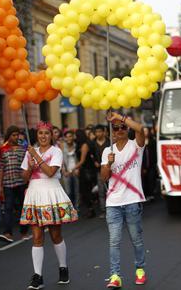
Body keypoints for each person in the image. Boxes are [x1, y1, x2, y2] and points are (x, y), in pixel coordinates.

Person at [21, 121, 77, 290]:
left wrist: (35, 157)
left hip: (51, 193)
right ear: (37, 135)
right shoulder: (30, 152)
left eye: (46, 133)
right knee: (37, 237)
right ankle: (37, 276)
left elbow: (50, 172)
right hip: (34, 194)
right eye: (40, 133)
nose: (43, 136)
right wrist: (30, 167)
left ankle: (63, 268)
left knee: (55, 235)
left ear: (51, 135)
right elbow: (24, 178)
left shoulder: (56, 151)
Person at [100, 112, 147, 289]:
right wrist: (108, 164)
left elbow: (141, 129)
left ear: (127, 129)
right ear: (111, 132)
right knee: (114, 241)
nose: (119, 130)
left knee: (136, 239)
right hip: (113, 203)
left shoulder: (136, 146)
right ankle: (115, 275)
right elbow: (104, 177)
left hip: (133, 200)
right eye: (116, 128)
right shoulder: (107, 151)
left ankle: (140, 270)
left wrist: (119, 117)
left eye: (122, 127)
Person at [0, 125, 29, 243]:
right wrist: (0, 186)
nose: (16, 137)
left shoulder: (23, 149)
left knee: (22, 207)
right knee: (8, 208)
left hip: (21, 182)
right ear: (9, 136)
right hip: (7, 183)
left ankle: (24, 231)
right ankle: (8, 233)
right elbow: (1, 168)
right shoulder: (2, 149)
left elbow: (26, 167)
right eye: (13, 135)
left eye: (17, 135)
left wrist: (27, 182)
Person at [76, 129, 97, 218]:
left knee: (85, 191)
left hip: (86, 170)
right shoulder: (82, 144)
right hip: (85, 169)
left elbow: (82, 160)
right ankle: (90, 209)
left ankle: (91, 209)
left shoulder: (84, 145)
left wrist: (72, 169)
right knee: (85, 191)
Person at [93, 125, 110, 218]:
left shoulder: (109, 142)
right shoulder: (93, 143)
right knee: (101, 190)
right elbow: (90, 155)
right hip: (98, 170)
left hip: (109, 168)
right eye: (97, 132)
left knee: (110, 189)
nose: (98, 133)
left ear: (104, 132)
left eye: (100, 131)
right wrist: (94, 161)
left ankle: (112, 209)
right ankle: (103, 210)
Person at [61, 130, 80, 208]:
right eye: (67, 137)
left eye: (70, 136)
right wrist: (63, 170)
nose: (68, 138)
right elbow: (61, 160)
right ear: (65, 138)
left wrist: (78, 169)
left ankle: (77, 207)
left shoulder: (77, 146)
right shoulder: (62, 146)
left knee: (77, 191)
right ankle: (70, 208)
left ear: (73, 137)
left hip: (75, 170)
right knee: (68, 191)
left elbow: (79, 159)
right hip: (66, 171)